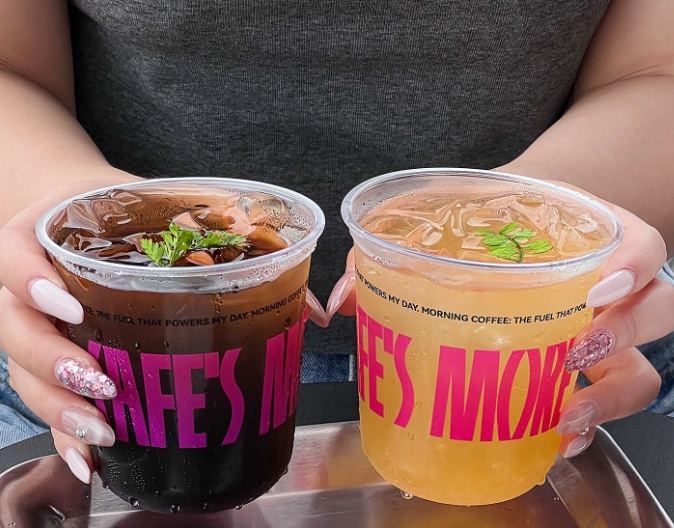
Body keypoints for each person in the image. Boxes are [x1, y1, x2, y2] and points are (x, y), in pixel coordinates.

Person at [0, 0, 673, 483]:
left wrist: (544, 218)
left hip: (569, 346)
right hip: (97, 353)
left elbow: (656, 69)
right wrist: (71, 211)